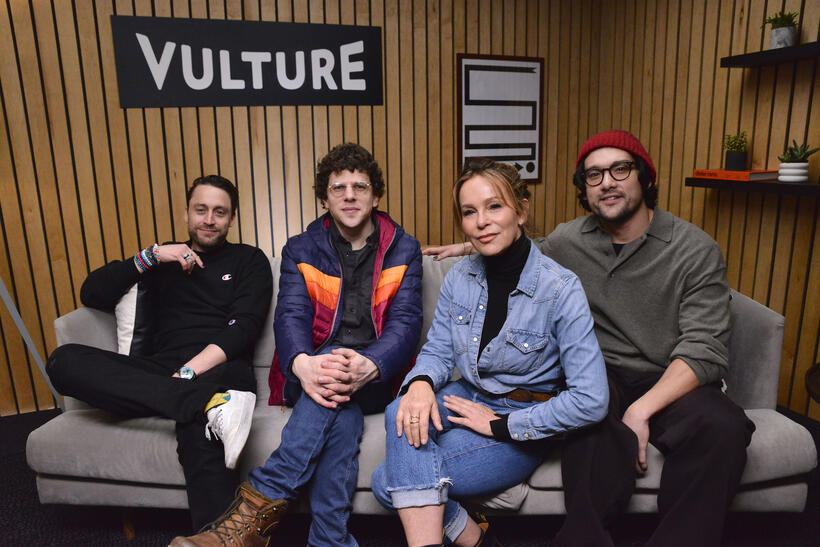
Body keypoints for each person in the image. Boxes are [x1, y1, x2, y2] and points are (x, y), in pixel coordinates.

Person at [425, 130, 756, 547]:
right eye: (594, 175)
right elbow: (522, 248)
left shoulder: (694, 248)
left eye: (620, 169)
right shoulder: (571, 238)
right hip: (600, 373)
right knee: (588, 424)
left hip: (673, 377)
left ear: (645, 177)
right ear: (585, 188)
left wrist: (640, 411)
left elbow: (704, 348)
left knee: (723, 428)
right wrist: (470, 244)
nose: (607, 183)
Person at [172, 143, 423, 547]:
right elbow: (290, 317)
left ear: (376, 196)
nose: (349, 196)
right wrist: (304, 364)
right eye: (338, 187)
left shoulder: (404, 248)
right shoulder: (301, 248)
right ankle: (330, 541)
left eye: (360, 187)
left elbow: (406, 324)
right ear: (324, 197)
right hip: (313, 374)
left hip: (376, 377)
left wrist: (370, 364)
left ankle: (251, 517)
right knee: (340, 414)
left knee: (335, 396)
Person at [372, 158, 608, 547]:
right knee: (402, 408)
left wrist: (501, 425)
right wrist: (420, 382)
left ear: (521, 209)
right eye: (469, 212)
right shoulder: (460, 276)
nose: (481, 221)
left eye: (494, 206)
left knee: (388, 481)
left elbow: (592, 399)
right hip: (467, 396)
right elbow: (438, 350)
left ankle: (472, 537)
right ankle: (471, 536)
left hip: (520, 417)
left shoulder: (560, 289)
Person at [47, 175, 272, 530]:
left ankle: (214, 536)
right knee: (63, 361)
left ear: (231, 219)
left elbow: (244, 328)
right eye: (201, 210)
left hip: (220, 367)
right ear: (186, 214)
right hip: (161, 371)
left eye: (219, 212)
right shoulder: (162, 259)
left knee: (201, 429)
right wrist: (149, 256)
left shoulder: (249, 260)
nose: (209, 219)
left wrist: (188, 374)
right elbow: (92, 294)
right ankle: (204, 404)